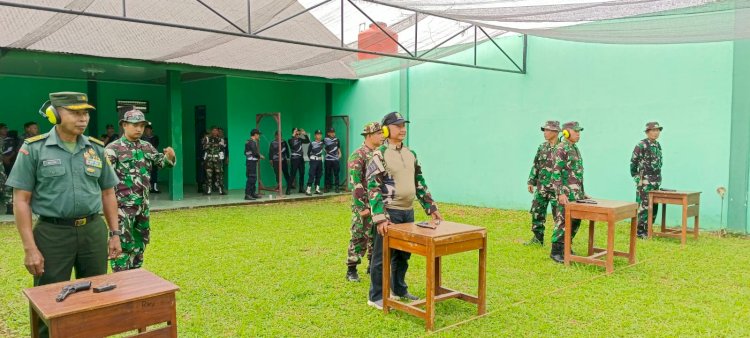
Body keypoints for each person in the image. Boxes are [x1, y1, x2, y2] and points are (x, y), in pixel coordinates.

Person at [6, 92, 121, 337]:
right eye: (75, 112)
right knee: (49, 298)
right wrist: (30, 248)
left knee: (96, 293)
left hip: (92, 231)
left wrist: (114, 233)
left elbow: (108, 193)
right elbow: (21, 200)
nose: (83, 118)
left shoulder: (96, 148)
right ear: (55, 114)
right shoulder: (34, 148)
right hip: (52, 233)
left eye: (86, 112)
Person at [366, 112, 443, 310]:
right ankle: (376, 296)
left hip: (407, 212)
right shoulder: (379, 154)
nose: (403, 129)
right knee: (381, 256)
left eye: (404, 125)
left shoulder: (411, 154)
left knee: (403, 255)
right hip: (389, 212)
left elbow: (419, 182)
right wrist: (380, 218)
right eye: (398, 125)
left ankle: (399, 289)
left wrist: (431, 207)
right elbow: (373, 187)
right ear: (386, 129)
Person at [104, 109, 175, 271]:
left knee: (140, 242)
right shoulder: (112, 149)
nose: (139, 129)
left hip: (142, 206)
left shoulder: (146, 146)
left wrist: (170, 157)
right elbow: (104, 180)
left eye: (142, 125)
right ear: (124, 125)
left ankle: (136, 277)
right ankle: (121, 279)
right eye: (135, 125)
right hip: (122, 208)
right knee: (121, 244)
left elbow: (161, 163)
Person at [346, 122, 383, 282]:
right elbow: (355, 183)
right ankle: (351, 269)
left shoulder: (379, 154)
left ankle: (372, 265)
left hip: (377, 203)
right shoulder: (358, 154)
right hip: (364, 204)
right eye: (379, 133)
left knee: (376, 235)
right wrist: (361, 206)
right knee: (359, 235)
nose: (382, 136)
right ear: (369, 135)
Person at [550, 121, 586, 263]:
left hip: (576, 194)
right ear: (566, 132)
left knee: (576, 220)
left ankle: (566, 247)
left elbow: (577, 174)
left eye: (579, 131)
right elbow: (556, 172)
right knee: (563, 221)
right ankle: (556, 251)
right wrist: (560, 193)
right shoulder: (561, 148)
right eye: (576, 131)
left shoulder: (575, 148)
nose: (578, 134)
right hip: (565, 194)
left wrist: (583, 192)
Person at [526, 120, 561, 246]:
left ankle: (559, 242)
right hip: (542, 186)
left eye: (548, 130)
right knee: (537, 211)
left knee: (559, 216)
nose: (545, 133)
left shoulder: (563, 148)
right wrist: (531, 180)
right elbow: (536, 164)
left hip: (557, 189)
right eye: (544, 130)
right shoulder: (542, 147)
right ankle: (537, 238)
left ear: (556, 132)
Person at [631, 122, 663, 239]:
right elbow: (633, 163)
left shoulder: (657, 145)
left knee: (654, 206)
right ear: (648, 132)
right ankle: (640, 232)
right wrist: (637, 178)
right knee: (644, 207)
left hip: (656, 182)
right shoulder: (641, 145)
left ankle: (649, 229)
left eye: (657, 130)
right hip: (644, 182)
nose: (656, 132)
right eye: (653, 130)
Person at [202, 127, 226, 195]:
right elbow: (204, 147)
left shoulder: (221, 139)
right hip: (209, 159)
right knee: (208, 175)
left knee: (219, 174)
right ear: (211, 131)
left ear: (218, 132)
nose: (215, 132)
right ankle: (208, 190)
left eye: (216, 131)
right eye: (213, 130)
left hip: (217, 159)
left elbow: (223, 148)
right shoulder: (207, 138)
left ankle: (221, 190)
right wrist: (212, 144)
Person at [269, 130, 292, 195]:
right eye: (277, 135)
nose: (279, 137)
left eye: (280, 135)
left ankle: (289, 186)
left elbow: (287, 150)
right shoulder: (272, 143)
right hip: (275, 161)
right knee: (277, 174)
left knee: (286, 173)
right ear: (275, 136)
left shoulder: (284, 142)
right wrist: (271, 160)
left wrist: (287, 158)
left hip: (283, 160)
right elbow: (270, 152)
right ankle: (279, 186)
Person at [288, 128, 310, 193]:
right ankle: (288, 189)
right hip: (294, 159)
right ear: (293, 132)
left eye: (298, 131)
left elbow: (307, 141)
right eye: (295, 131)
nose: (297, 133)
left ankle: (301, 188)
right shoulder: (290, 140)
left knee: (302, 174)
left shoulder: (300, 139)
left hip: (301, 159)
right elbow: (292, 145)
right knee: (293, 174)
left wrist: (304, 134)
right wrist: (293, 135)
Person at [141, 125, 161, 193]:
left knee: (154, 172)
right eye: (146, 130)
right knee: (145, 173)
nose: (147, 131)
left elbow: (154, 146)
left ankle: (154, 188)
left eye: (148, 130)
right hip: (144, 158)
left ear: (151, 130)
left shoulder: (155, 138)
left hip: (153, 157)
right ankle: (147, 188)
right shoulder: (142, 138)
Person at [244, 129, 264, 200]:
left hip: (250, 162)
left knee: (253, 178)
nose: (259, 136)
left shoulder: (248, 141)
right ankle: (248, 194)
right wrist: (260, 156)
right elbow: (255, 153)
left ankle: (252, 193)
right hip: (251, 162)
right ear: (255, 135)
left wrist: (256, 155)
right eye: (258, 134)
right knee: (251, 178)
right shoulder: (252, 142)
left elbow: (245, 152)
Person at [305, 130, 324, 196]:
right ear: (315, 135)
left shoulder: (322, 143)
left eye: (320, 134)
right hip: (313, 160)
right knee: (311, 175)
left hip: (319, 161)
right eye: (318, 134)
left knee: (319, 174)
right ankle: (308, 190)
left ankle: (317, 189)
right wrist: (311, 159)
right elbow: (308, 153)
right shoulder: (312, 143)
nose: (319, 136)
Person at [324, 127, 342, 193]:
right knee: (327, 173)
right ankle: (327, 187)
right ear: (328, 133)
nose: (333, 133)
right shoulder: (325, 139)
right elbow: (321, 146)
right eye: (331, 132)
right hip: (328, 159)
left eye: (333, 132)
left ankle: (337, 187)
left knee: (336, 174)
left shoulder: (337, 139)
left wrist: (340, 153)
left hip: (335, 159)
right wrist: (325, 151)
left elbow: (338, 148)